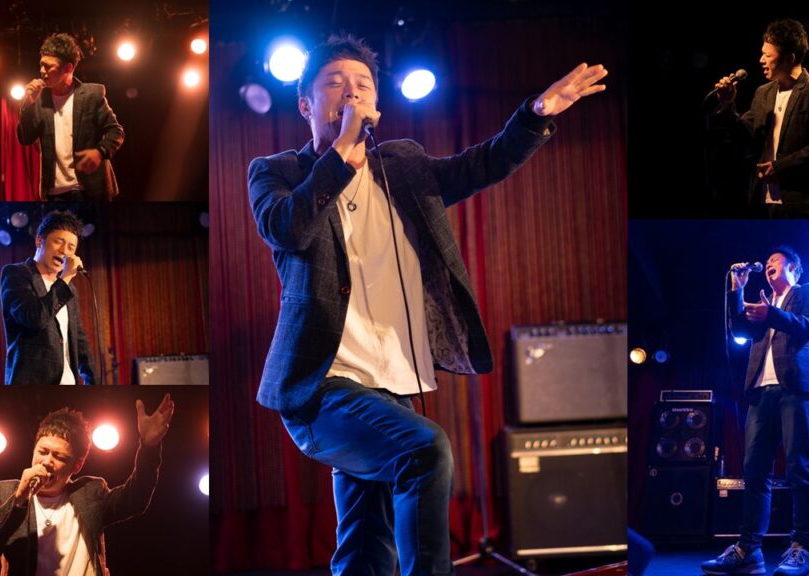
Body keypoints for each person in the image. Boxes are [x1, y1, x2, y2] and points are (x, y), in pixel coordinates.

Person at [248, 34, 607, 576]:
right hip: (320, 386)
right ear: (305, 104)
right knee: (425, 449)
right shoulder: (277, 172)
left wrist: (535, 115)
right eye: (335, 84)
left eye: (363, 85)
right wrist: (341, 153)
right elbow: (288, 229)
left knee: (367, 549)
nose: (351, 92)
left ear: (377, 105)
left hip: (390, 386)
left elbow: (482, 163)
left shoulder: (404, 166)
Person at [702, 247, 809, 576]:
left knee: (800, 466)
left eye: (775, 261)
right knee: (754, 471)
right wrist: (737, 290)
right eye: (767, 262)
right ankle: (748, 550)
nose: (768, 265)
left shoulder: (808, 291)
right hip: (760, 392)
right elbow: (740, 331)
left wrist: (772, 314)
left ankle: (804, 548)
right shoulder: (762, 303)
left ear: (793, 267)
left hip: (797, 387)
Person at [0, 394, 174, 575]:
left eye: (59, 457)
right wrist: (19, 500)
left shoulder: (89, 492)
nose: (47, 461)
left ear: (77, 465)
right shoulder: (2, 491)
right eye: (42, 451)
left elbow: (135, 499)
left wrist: (149, 446)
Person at [712, 19, 809, 217]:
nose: (761, 60)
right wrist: (728, 105)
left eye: (768, 55)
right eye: (762, 53)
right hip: (764, 201)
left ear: (789, 58)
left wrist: (779, 168)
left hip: (803, 203)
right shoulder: (764, 93)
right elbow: (743, 135)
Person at [17, 33, 124, 201]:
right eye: (41, 65)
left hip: (91, 190)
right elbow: (25, 138)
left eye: (48, 66)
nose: (42, 71)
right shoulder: (39, 99)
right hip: (55, 193)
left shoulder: (92, 94)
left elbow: (116, 132)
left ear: (68, 68)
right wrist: (28, 104)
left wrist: (99, 152)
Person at [0, 210, 95, 385]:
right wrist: (65, 279)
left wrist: (93, 381)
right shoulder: (16, 274)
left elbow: (78, 338)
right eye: (59, 241)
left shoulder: (69, 289)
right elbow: (34, 318)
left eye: (71, 247)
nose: (64, 251)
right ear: (39, 240)